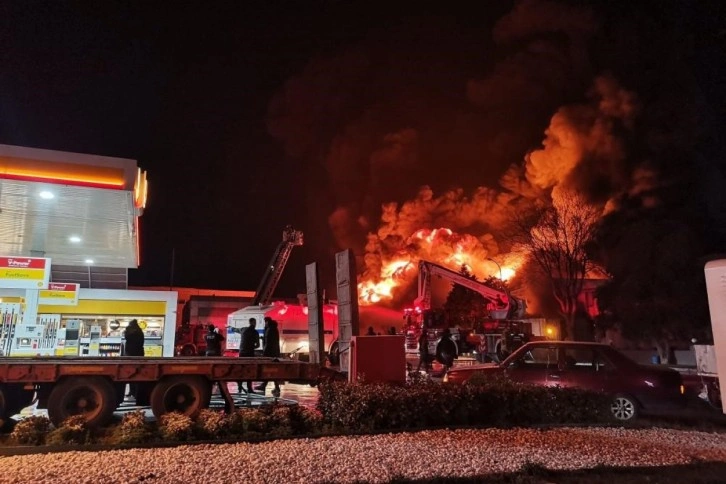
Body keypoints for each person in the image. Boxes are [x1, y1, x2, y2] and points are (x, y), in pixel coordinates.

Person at [255, 317, 282, 396]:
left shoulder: (270, 329)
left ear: (268, 322)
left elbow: (269, 343)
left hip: (270, 353)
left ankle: (265, 385)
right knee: (272, 370)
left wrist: (265, 353)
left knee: (270, 370)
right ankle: (273, 386)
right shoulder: (273, 329)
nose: (265, 323)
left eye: (265, 322)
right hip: (274, 353)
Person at [238, 318, 260, 393]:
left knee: (241, 369)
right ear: (254, 323)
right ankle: (249, 388)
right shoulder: (255, 332)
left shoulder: (243, 330)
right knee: (250, 370)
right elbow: (257, 345)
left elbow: (236, 330)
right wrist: (251, 347)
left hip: (241, 353)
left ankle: (239, 387)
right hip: (250, 353)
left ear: (249, 322)